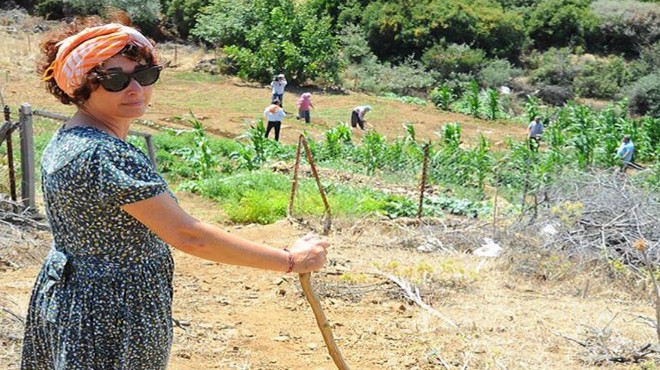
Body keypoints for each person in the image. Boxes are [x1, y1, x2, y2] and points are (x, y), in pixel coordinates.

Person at [21, 20, 329, 370]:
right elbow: (188, 235)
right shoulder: (104, 153)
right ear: (79, 87)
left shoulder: (69, 138)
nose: (135, 88)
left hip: (71, 301)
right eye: (116, 79)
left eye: (145, 74)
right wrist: (290, 260)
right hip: (113, 314)